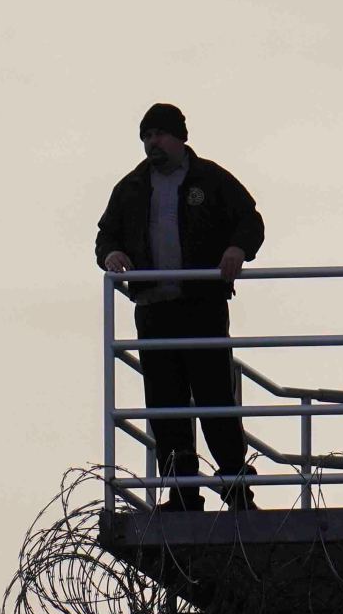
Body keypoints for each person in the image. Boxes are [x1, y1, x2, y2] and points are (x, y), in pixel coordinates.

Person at [94, 103, 267, 512]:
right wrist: (112, 254)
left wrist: (237, 248)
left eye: (159, 134)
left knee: (215, 401)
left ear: (180, 136)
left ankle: (237, 491)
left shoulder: (211, 178)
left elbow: (250, 220)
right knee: (165, 407)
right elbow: (105, 235)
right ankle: (183, 494)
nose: (152, 142)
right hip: (154, 309)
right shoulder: (131, 187)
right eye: (145, 136)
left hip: (201, 305)